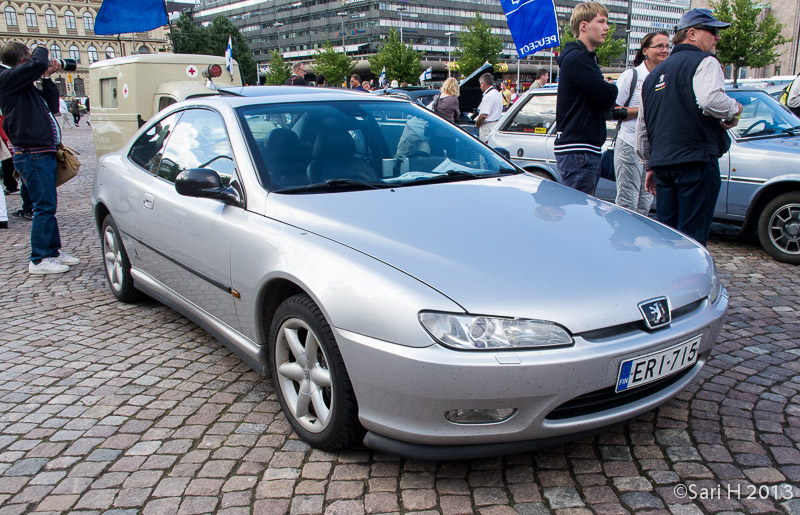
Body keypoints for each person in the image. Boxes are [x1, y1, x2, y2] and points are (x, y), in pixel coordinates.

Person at [636, 8, 743, 246]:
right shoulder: (705, 61)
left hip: (664, 166)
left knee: (667, 237)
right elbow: (710, 100)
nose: (717, 37)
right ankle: (690, 282)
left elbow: (644, 130)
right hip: (695, 162)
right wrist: (735, 108)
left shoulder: (654, 75)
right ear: (692, 34)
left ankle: (667, 280)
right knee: (691, 241)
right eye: (713, 31)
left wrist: (650, 164)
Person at [0, 41, 80, 274]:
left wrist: (46, 78)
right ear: (22, 62)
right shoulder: (5, 77)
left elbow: (52, 104)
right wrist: (41, 47)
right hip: (31, 153)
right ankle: (39, 258)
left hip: (40, 151)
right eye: (30, 60)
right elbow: (37, 61)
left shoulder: (21, 83)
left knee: (48, 205)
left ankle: (52, 251)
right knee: (43, 206)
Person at [554, 1, 618, 195]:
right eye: (601, 21)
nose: (606, 27)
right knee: (578, 213)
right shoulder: (579, 59)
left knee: (577, 211)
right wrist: (611, 87)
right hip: (579, 148)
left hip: (579, 147)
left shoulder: (580, 58)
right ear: (583, 26)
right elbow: (607, 95)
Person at [613, 31, 670, 216]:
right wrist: (644, 110)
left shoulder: (667, 77)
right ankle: (621, 242)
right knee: (627, 203)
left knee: (644, 205)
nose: (665, 50)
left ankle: (636, 243)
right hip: (630, 144)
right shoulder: (632, 75)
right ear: (645, 50)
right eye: (660, 46)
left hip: (654, 150)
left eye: (668, 46)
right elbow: (613, 110)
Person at [475, 73, 503, 142]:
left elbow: (484, 115)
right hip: (495, 124)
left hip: (487, 127)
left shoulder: (488, 96)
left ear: (483, 84)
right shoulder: (497, 94)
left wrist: (477, 123)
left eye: (480, 84)